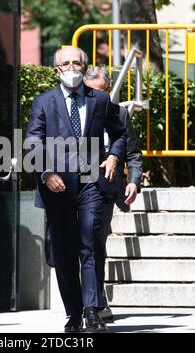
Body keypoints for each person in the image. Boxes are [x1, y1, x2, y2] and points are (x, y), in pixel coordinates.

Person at [26, 46, 127, 333]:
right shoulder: (43, 102)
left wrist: (113, 155)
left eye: (76, 62)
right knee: (64, 251)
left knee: (90, 243)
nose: (71, 68)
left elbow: (119, 133)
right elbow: (32, 141)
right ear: (57, 70)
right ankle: (73, 312)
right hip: (57, 186)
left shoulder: (100, 99)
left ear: (84, 67)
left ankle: (92, 310)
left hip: (91, 183)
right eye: (65, 63)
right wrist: (46, 172)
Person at [83, 65, 143, 322]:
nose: (97, 98)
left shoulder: (119, 113)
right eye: (91, 92)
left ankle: (96, 301)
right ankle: (90, 301)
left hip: (107, 186)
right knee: (85, 243)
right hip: (79, 184)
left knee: (96, 242)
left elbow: (133, 151)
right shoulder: (76, 112)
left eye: (102, 92)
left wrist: (134, 181)